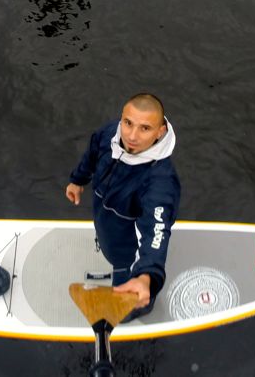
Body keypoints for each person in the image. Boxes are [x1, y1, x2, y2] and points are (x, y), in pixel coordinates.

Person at [65, 93, 180, 323]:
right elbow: (92, 154)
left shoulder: (160, 183)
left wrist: (145, 277)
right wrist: (78, 180)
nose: (132, 136)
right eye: (128, 123)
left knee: (125, 294)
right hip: (107, 224)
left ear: (160, 132)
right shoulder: (111, 133)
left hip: (130, 249)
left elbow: (156, 232)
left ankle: (139, 307)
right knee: (110, 248)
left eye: (145, 128)